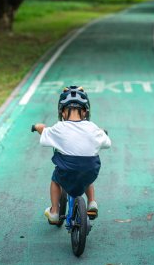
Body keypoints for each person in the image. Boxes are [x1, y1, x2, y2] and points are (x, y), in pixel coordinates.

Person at [34, 85, 111, 224]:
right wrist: (100, 132)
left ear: (62, 112)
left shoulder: (59, 127)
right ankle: (92, 202)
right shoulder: (92, 127)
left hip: (67, 170)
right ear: (84, 112)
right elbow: (107, 144)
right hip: (90, 169)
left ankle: (55, 212)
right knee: (86, 177)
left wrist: (39, 128)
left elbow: (45, 133)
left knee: (56, 179)